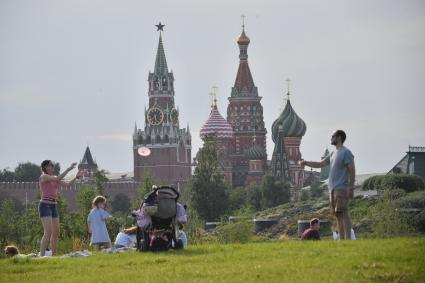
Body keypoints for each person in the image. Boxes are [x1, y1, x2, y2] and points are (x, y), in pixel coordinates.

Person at [300, 129, 355, 240]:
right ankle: (342, 239)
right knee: (338, 215)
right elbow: (320, 164)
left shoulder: (346, 152)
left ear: (339, 137)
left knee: (344, 212)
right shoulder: (333, 153)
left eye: (333, 136)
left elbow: (352, 170)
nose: (331, 138)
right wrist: (306, 162)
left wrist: (351, 187)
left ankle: (348, 239)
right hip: (333, 189)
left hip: (341, 187)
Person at [39, 160, 82, 256]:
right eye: (51, 165)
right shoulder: (43, 176)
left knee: (55, 232)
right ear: (45, 167)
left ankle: (54, 255)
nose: (52, 167)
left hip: (53, 206)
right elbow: (58, 177)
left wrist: (76, 177)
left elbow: (67, 185)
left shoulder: (54, 178)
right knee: (48, 232)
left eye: (53, 166)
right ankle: (41, 256)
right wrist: (69, 169)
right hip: (45, 205)